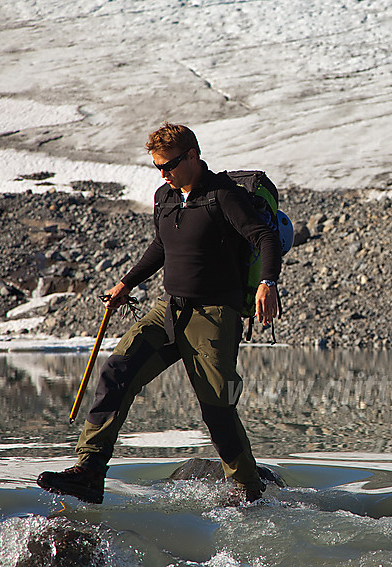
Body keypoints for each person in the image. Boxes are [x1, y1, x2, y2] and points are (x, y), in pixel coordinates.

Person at [38, 122, 282, 504]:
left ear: (192, 156)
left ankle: (248, 489)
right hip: (167, 310)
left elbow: (264, 237)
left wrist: (268, 282)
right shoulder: (164, 197)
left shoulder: (224, 196)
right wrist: (126, 283)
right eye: (157, 167)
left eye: (168, 165)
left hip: (214, 315)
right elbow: (161, 246)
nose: (163, 174)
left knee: (217, 410)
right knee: (117, 372)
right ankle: (89, 470)